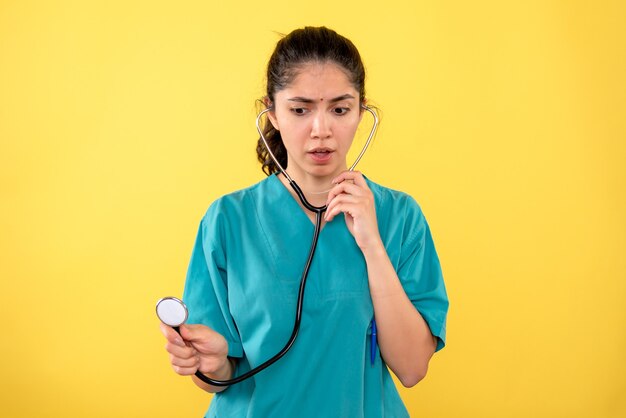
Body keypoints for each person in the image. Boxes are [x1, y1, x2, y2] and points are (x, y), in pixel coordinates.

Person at [159, 26, 449, 418]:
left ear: (361, 111)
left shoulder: (400, 217)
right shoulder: (228, 221)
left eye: (340, 109)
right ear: (273, 112)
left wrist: (372, 245)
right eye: (300, 109)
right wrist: (211, 364)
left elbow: (413, 368)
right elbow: (218, 373)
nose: (321, 130)